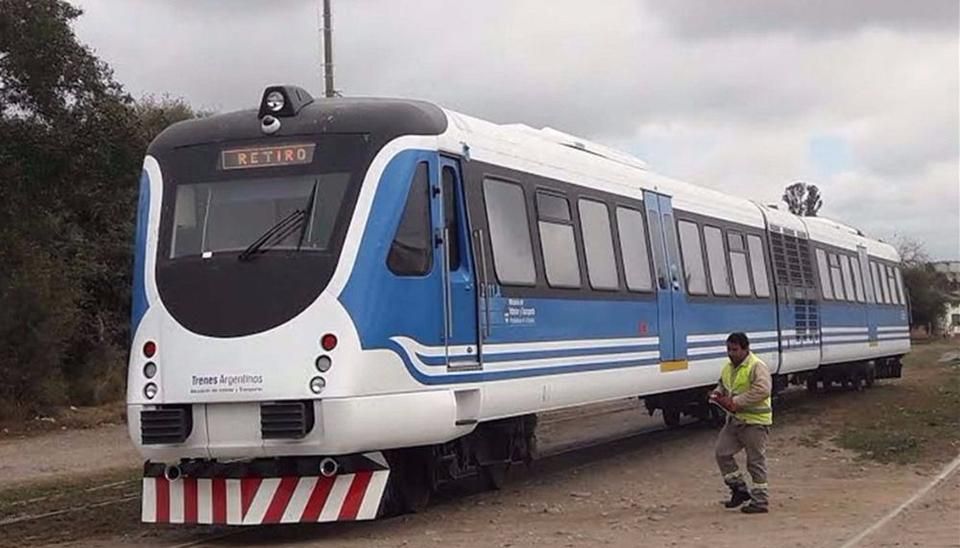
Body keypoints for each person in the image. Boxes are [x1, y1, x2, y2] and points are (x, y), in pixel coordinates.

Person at [709, 332, 773, 514]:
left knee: (755, 461)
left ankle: (760, 501)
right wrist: (717, 393)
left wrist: (736, 402)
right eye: (728, 349)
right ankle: (739, 490)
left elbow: (763, 390)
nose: (731, 353)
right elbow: (723, 384)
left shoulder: (756, 366)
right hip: (735, 420)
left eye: (735, 349)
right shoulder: (728, 368)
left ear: (746, 349)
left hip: (755, 422)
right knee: (722, 453)